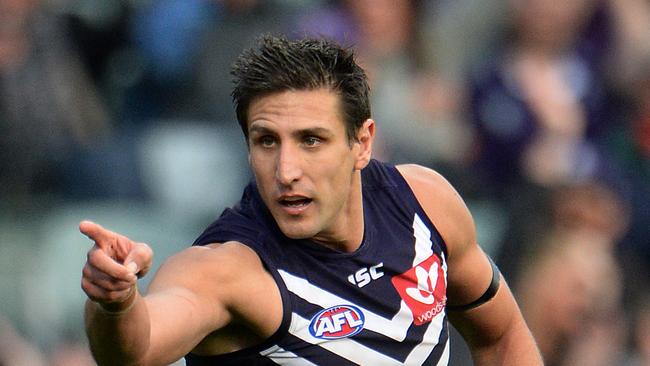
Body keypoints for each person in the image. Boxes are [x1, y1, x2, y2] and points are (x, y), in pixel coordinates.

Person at [80, 35, 542, 365]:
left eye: (311, 140)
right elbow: (134, 351)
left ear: (362, 143)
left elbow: (501, 338)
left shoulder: (425, 203)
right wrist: (117, 303)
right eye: (266, 141)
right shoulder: (227, 270)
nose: (286, 170)